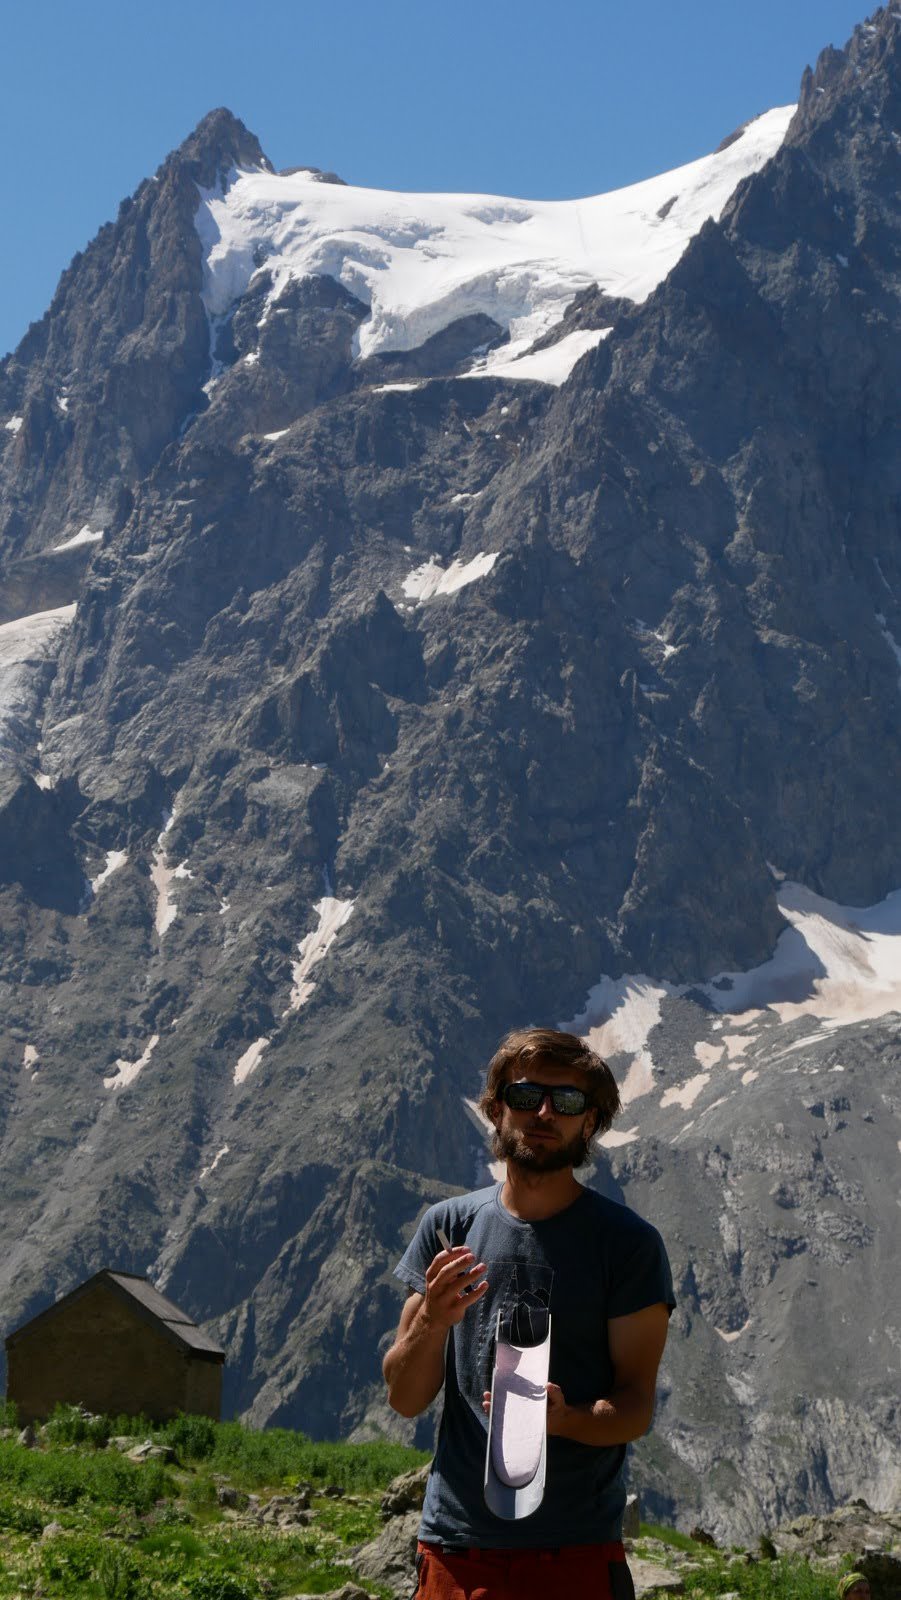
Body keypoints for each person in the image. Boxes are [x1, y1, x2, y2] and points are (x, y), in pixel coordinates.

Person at [383, 1027, 675, 1600]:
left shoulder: (627, 1246)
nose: (543, 1113)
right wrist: (433, 1319)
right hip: (456, 1546)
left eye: (566, 1102)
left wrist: (564, 1420)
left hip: (574, 1549)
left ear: (590, 1123)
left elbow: (637, 1405)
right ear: (496, 1110)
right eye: (524, 1097)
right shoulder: (448, 1229)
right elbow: (404, 1397)